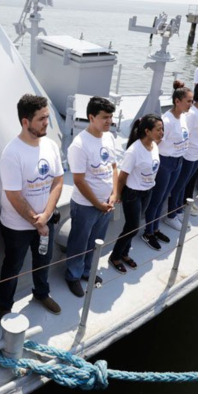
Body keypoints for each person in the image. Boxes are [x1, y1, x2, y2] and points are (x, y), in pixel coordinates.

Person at [0, 94, 64, 318]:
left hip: (44, 221)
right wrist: (38, 221)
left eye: (47, 117)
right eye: (41, 118)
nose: (47, 122)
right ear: (26, 122)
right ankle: (5, 307)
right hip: (17, 227)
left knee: (43, 260)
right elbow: (14, 196)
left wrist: (45, 216)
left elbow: (58, 180)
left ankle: (41, 293)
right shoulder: (12, 154)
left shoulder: (51, 146)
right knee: (12, 267)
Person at [65, 96, 118, 297]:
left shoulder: (109, 137)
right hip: (86, 206)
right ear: (91, 117)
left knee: (96, 241)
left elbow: (113, 167)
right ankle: (73, 275)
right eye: (105, 117)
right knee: (79, 242)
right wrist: (97, 203)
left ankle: (87, 271)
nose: (109, 121)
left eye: (111, 117)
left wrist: (114, 194)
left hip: (106, 203)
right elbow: (78, 180)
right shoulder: (79, 145)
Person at [108, 115, 163, 273]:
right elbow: (122, 176)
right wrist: (117, 194)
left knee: (133, 225)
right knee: (133, 227)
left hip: (147, 191)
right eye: (158, 129)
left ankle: (125, 253)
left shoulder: (154, 145)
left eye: (162, 129)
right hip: (133, 193)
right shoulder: (134, 151)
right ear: (147, 131)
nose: (162, 133)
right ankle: (115, 256)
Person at [141, 85, 191, 251]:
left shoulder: (182, 117)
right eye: (188, 101)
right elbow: (156, 142)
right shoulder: (167, 121)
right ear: (177, 101)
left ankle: (155, 228)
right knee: (157, 198)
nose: (191, 104)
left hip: (177, 162)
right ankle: (148, 232)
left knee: (163, 197)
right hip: (165, 163)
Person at [167, 81, 198, 226]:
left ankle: (179, 209)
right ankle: (171, 215)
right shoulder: (192, 114)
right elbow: (185, 134)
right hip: (188, 155)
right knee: (180, 185)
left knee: (186, 183)